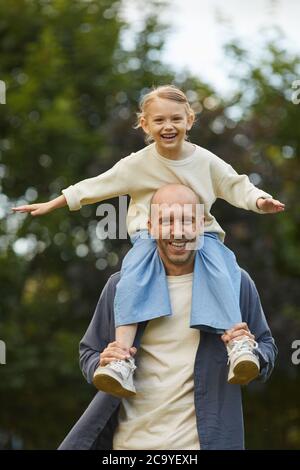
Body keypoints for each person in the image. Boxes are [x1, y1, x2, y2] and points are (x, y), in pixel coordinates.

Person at [12, 84, 284, 397]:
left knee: (223, 265)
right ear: (145, 124)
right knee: (134, 273)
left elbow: (237, 185)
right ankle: (122, 358)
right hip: (149, 232)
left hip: (201, 229)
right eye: (159, 120)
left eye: (176, 119)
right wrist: (53, 203)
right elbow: (96, 186)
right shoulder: (136, 164)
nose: (168, 126)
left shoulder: (206, 161)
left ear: (189, 120)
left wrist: (260, 200)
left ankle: (237, 343)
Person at [58, 184, 277, 450]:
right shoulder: (121, 286)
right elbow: (88, 351)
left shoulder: (235, 283)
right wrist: (102, 362)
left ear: (201, 225)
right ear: (150, 226)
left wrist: (252, 350)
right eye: (167, 221)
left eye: (187, 220)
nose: (178, 231)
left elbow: (267, 346)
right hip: (128, 447)